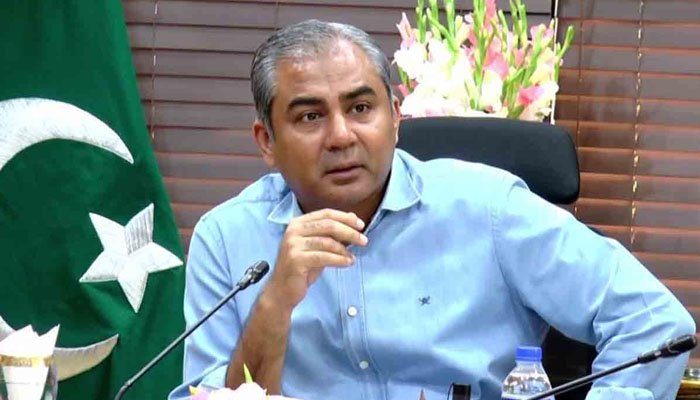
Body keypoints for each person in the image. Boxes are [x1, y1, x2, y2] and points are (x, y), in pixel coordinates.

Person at [169, 19, 695, 400]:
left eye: (360, 108)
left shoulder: (488, 207)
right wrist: (274, 303)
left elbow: (655, 325)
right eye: (310, 116)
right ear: (266, 141)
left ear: (395, 117)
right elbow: (210, 396)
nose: (341, 136)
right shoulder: (228, 239)